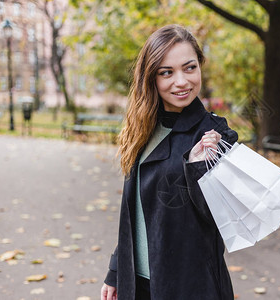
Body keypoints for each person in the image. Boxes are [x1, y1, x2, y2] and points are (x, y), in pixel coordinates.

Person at [101, 24, 238, 300]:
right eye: (167, 72)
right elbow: (136, 210)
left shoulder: (216, 134)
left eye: (189, 68)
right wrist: (116, 271)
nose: (182, 81)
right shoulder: (142, 130)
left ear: (200, 66)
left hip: (190, 286)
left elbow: (221, 217)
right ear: (150, 77)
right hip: (137, 283)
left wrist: (199, 166)